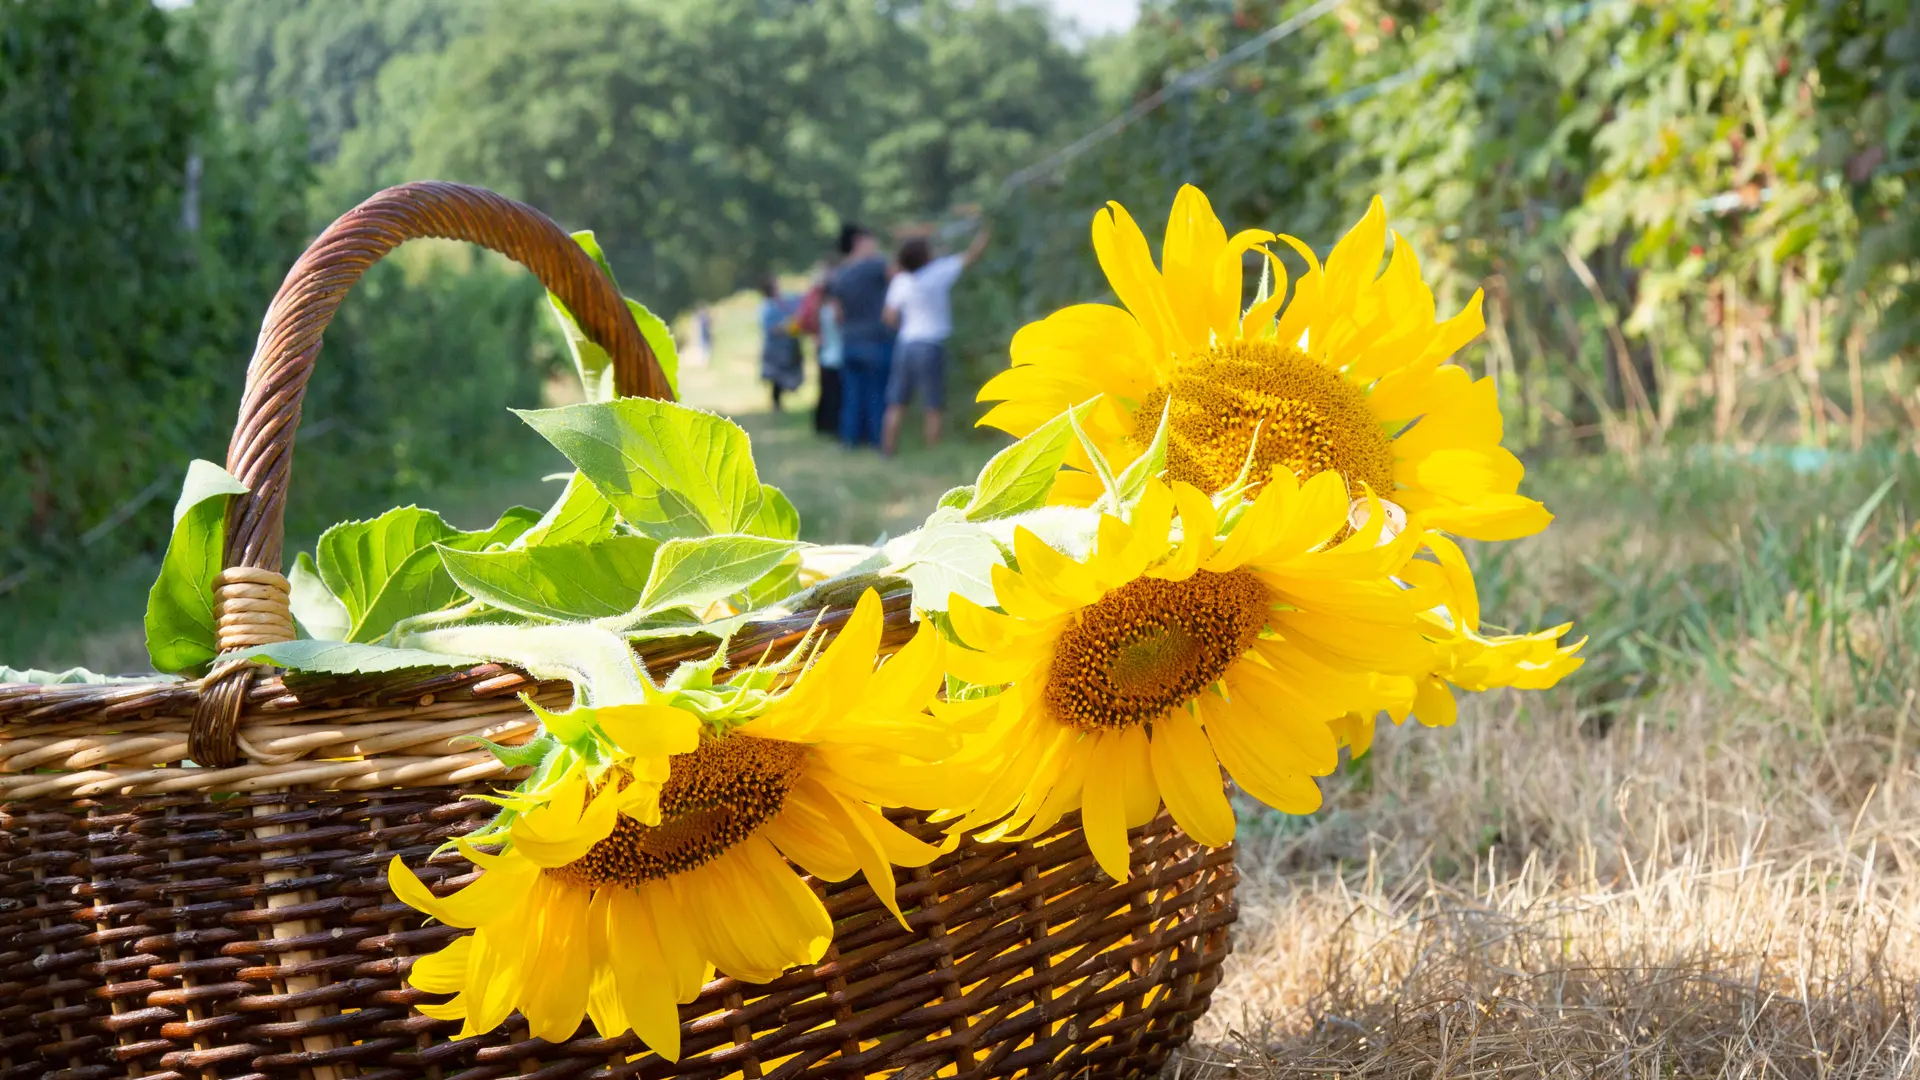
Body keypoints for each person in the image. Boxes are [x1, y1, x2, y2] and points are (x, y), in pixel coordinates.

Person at [880, 221, 991, 455]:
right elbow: (971, 255)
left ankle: (888, 450)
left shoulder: (901, 281)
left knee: (897, 400)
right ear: (925, 256)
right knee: (933, 403)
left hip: (906, 342)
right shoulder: (938, 272)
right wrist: (985, 230)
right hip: (930, 344)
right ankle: (933, 451)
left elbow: (888, 316)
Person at [825, 222, 892, 448]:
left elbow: (837, 314)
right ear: (859, 241)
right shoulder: (876, 266)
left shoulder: (839, 274)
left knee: (852, 396)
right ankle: (877, 441)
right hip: (875, 340)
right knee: (877, 396)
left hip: (849, 341)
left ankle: (849, 440)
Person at [758, 275, 803, 411]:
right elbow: (771, 328)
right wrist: (787, 327)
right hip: (776, 348)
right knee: (776, 377)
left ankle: (781, 399)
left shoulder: (785, 301)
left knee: (785, 375)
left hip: (788, 346)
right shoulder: (767, 307)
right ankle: (776, 404)